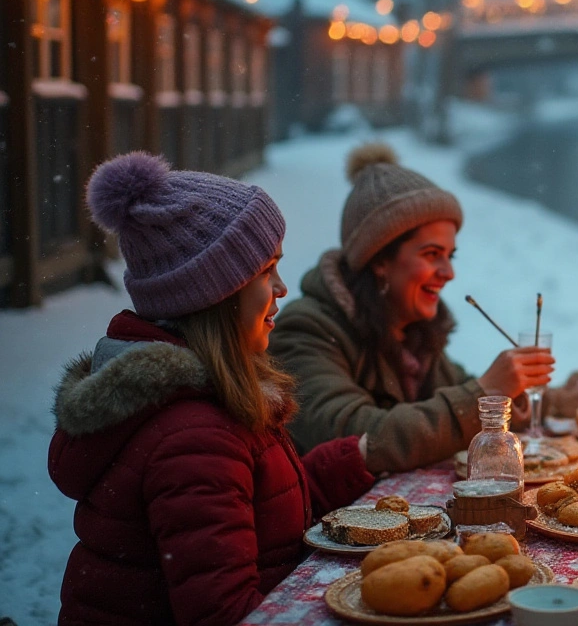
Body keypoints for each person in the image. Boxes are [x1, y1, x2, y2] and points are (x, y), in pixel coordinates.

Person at [49, 153, 374, 625]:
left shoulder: (198, 406)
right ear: (216, 295)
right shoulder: (195, 436)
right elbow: (228, 616)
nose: (281, 288)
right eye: (267, 270)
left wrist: (361, 456)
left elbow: (261, 514)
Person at [269, 144, 555, 473]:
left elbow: (464, 394)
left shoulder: (413, 334)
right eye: (432, 254)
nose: (449, 273)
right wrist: (487, 391)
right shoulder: (306, 330)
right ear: (379, 260)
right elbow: (359, 437)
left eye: (451, 255)